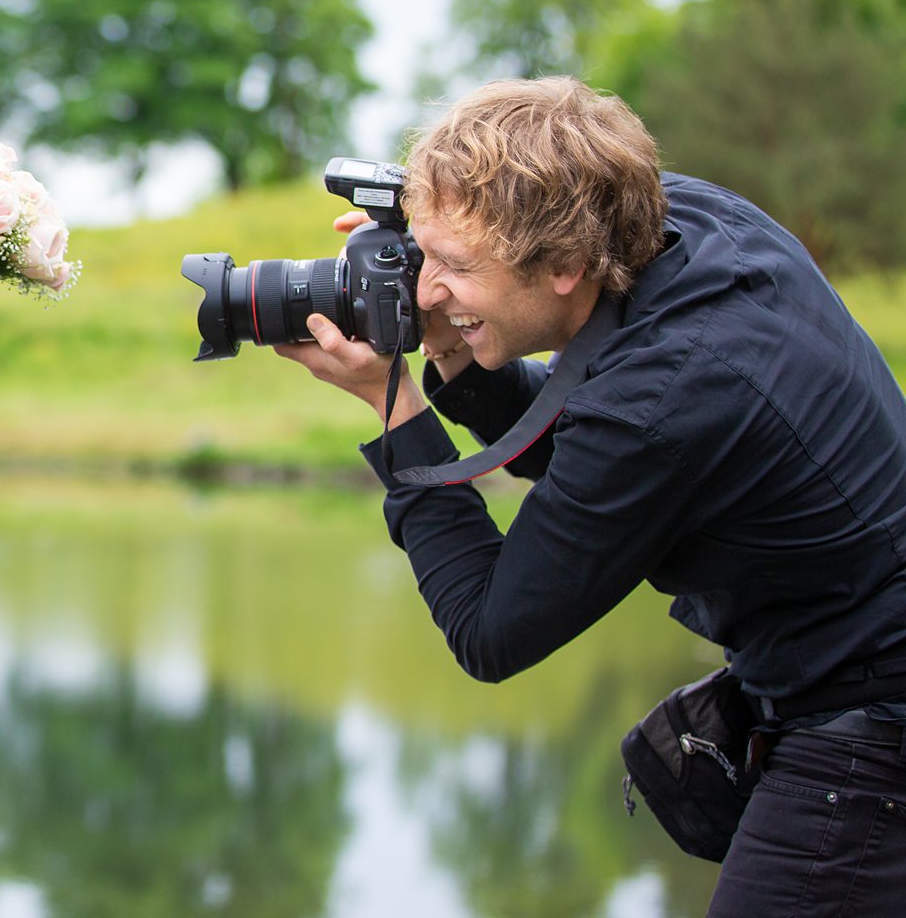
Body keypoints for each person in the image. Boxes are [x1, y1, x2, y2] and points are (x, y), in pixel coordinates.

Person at [278, 77, 906, 917]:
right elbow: (588, 443)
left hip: (871, 720)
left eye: (456, 268)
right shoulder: (672, 218)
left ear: (566, 264)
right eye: (423, 256)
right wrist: (456, 334)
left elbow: (490, 629)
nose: (423, 288)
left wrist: (396, 408)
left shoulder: (667, 396)